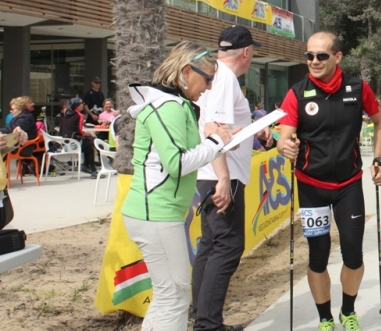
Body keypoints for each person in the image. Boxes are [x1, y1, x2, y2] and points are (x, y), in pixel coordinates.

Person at [121, 41, 236, 331]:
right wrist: (215, 142)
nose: (209, 87)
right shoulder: (169, 105)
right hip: (156, 213)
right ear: (186, 71)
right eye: (207, 78)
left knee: (169, 295)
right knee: (174, 296)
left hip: (158, 212)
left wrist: (212, 140)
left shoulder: (173, 104)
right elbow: (177, 164)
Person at [278, 31, 381, 331]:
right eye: (309, 56)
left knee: (353, 253)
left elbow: (380, 123)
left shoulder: (357, 87)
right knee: (318, 255)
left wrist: (378, 159)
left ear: (337, 57)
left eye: (321, 55)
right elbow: (283, 137)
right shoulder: (297, 93)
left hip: (348, 184)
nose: (313, 61)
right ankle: (325, 318)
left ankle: (348, 312)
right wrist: (284, 145)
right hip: (311, 185)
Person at [192, 26, 272, 331]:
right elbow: (215, 128)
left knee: (211, 245)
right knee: (227, 246)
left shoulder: (216, 76)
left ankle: (201, 314)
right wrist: (223, 179)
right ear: (247, 52)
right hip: (222, 175)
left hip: (208, 172)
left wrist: (253, 125)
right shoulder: (225, 79)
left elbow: (221, 125)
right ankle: (208, 324)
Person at [59, 98, 98, 176]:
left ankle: (86, 166)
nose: (83, 104)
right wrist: (89, 133)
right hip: (74, 145)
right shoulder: (80, 115)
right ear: (77, 105)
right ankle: (93, 170)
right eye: (82, 103)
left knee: (88, 145)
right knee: (91, 144)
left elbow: (62, 130)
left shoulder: (66, 115)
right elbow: (80, 132)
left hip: (65, 146)